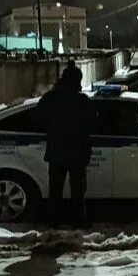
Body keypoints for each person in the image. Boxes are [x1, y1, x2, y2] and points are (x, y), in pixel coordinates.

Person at [37, 63, 93, 226]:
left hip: (57, 151)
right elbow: (92, 123)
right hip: (77, 151)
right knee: (78, 190)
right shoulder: (82, 100)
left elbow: (39, 121)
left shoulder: (49, 99)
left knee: (55, 189)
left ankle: (54, 220)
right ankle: (78, 220)